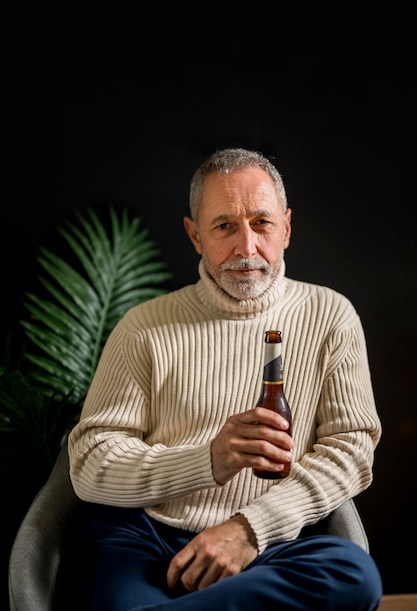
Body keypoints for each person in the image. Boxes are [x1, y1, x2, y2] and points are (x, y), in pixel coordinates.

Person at [68, 148, 383, 611]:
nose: (246, 247)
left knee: (355, 577)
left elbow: (351, 450)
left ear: (287, 227)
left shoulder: (331, 316)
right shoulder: (143, 327)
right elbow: (88, 464)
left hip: (275, 541)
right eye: (224, 226)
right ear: (194, 235)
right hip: (149, 537)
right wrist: (208, 459)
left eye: (261, 223)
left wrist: (248, 529)